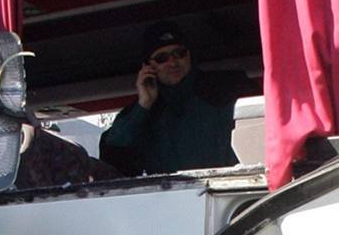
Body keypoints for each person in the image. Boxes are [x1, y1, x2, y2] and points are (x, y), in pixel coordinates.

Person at [99, 23, 242, 176]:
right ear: (148, 66)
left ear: (190, 55)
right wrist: (144, 105)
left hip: (230, 192)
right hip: (171, 196)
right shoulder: (142, 112)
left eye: (179, 53)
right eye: (162, 58)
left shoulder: (225, 87)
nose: (173, 63)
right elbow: (113, 151)